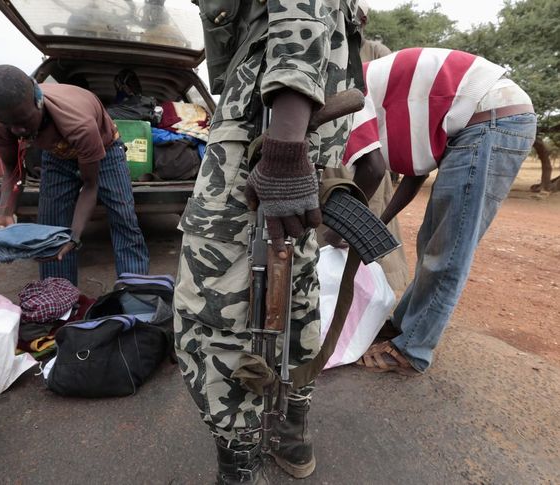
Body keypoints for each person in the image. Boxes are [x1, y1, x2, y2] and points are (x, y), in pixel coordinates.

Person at [174, 1, 363, 483]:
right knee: (296, 291)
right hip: (303, 137)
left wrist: (283, 146)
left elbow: (298, 16)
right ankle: (290, 434)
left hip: (263, 137)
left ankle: (240, 463)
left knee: (214, 311)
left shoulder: (279, 137)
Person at [339, 47, 536, 375]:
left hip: (490, 118)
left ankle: (411, 350)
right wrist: (377, 222)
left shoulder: (349, 90)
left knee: (448, 247)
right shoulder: (386, 101)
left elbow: (372, 170)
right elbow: (416, 173)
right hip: (487, 117)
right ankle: (406, 326)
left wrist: (342, 233)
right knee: (433, 242)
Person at [0, 65, 149, 286]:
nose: (18, 131)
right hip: (57, 154)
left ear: (38, 101)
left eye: (24, 121)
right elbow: (13, 168)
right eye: (9, 124)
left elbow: (90, 185)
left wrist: (75, 236)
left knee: (123, 217)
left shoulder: (78, 123)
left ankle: (135, 292)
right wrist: (4, 213)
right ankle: (60, 301)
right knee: (50, 231)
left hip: (105, 150)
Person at [322, 0, 411, 294]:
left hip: (369, 149)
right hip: (335, 154)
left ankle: (380, 298)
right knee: (332, 223)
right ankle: (332, 297)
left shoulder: (376, 53)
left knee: (368, 221)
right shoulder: (322, 46)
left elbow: (392, 102)